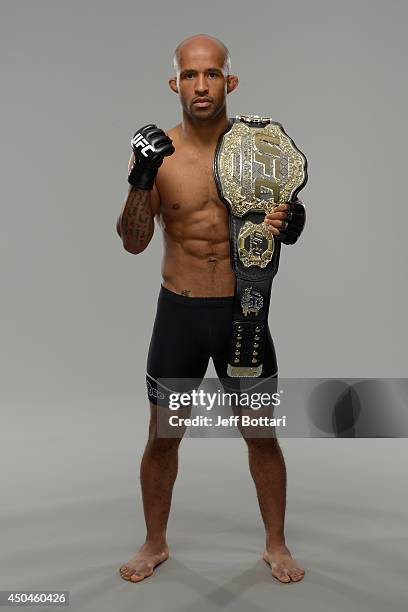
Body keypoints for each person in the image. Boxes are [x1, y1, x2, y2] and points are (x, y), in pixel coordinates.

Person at [116, 33, 306, 584]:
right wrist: (140, 180)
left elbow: (284, 218)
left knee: (261, 432)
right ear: (175, 82)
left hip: (243, 310)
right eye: (191, 75)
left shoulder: (260, 151)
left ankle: (276, 543)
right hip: (180, 313)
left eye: (213, 74)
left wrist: (293, 223)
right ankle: (155, 542)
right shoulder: (159, 154)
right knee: (163, 434)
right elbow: (132, 241)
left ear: (231, 81)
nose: (202, 85)